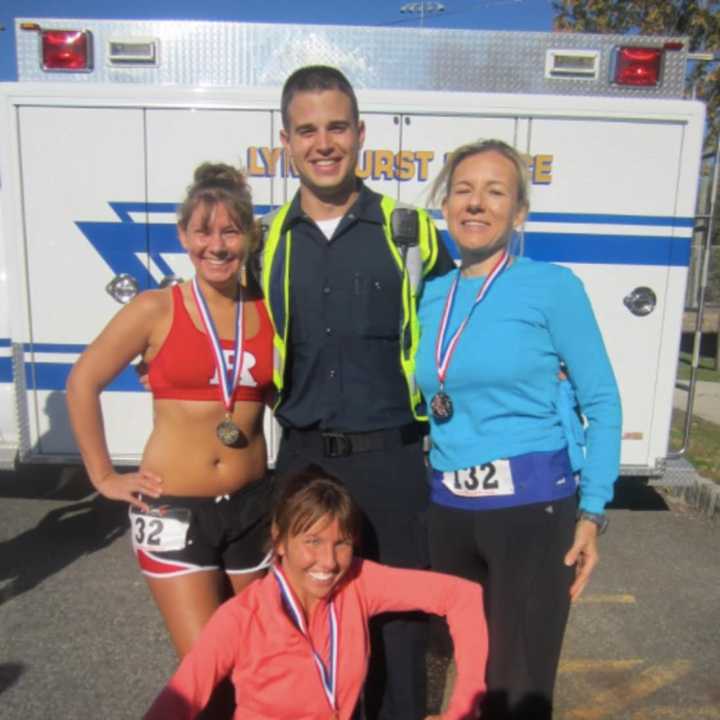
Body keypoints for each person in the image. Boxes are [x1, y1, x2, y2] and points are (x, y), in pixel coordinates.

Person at [260, 65, 455, 719]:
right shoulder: (265, 241)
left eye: (336, 126)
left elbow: (464, 323)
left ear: (360, 133)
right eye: (306, 129)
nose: (323, 142)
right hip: (303, 459)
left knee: (400, 632)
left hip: (392, 462)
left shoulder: (412, 232)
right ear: (285, 141)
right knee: (307, 626)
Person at [415, 139, 622, 719]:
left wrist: (594, 510)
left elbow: (602, 400)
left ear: (520, 212)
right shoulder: (430, 294)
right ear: (446, 205)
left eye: (495, 192)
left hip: (532, 513)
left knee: (519, 691)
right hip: (450, 513)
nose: (476, 204)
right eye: (463, 190)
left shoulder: (552, 287)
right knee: (470, 680)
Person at [66, 163, 274, 658]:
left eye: (230, 231)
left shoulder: (268, 310)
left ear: (248, 236)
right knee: (207, 668)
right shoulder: (155, 308)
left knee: (263, 657)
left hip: (252, 506)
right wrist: (103, 477)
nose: (217, 246)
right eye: (203, 232)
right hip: (174, 508)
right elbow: (82, 382)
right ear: (183, 235)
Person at [144, 466, 488, 720]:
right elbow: (177, 701)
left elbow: (462, 596)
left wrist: (462, 708)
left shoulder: (358, 582)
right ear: (279, 541)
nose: (328, 562)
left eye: (341, 544)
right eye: (312, 542)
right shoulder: (242, 617)